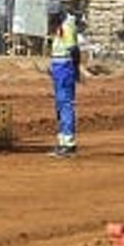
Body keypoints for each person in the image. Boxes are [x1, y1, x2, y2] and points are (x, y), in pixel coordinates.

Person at [48, 10, 82, 158]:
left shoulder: (67, 26)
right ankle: (63, 141)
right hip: (59, 67)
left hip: (65, 67)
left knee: (66, 104)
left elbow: (73, 50)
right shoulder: (62, 25)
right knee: (60, 105)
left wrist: (75, 69)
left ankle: (69, 143)